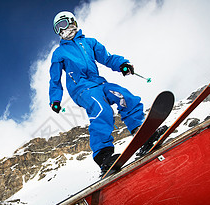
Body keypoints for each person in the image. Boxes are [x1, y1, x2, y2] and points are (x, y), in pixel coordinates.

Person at [49, 11, 145, 174]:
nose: (62, 31)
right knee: (101, 109)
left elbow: (107, 58)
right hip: (81, 89)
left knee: (123, 94)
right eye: (58, 29)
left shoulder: (90, 43)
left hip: (99, 83)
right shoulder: (59, 53)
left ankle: (140, 131)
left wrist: (122, 64)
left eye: (63, 25)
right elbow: (55, 79)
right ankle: (103, 155)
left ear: (72, 22)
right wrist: (55, 99)